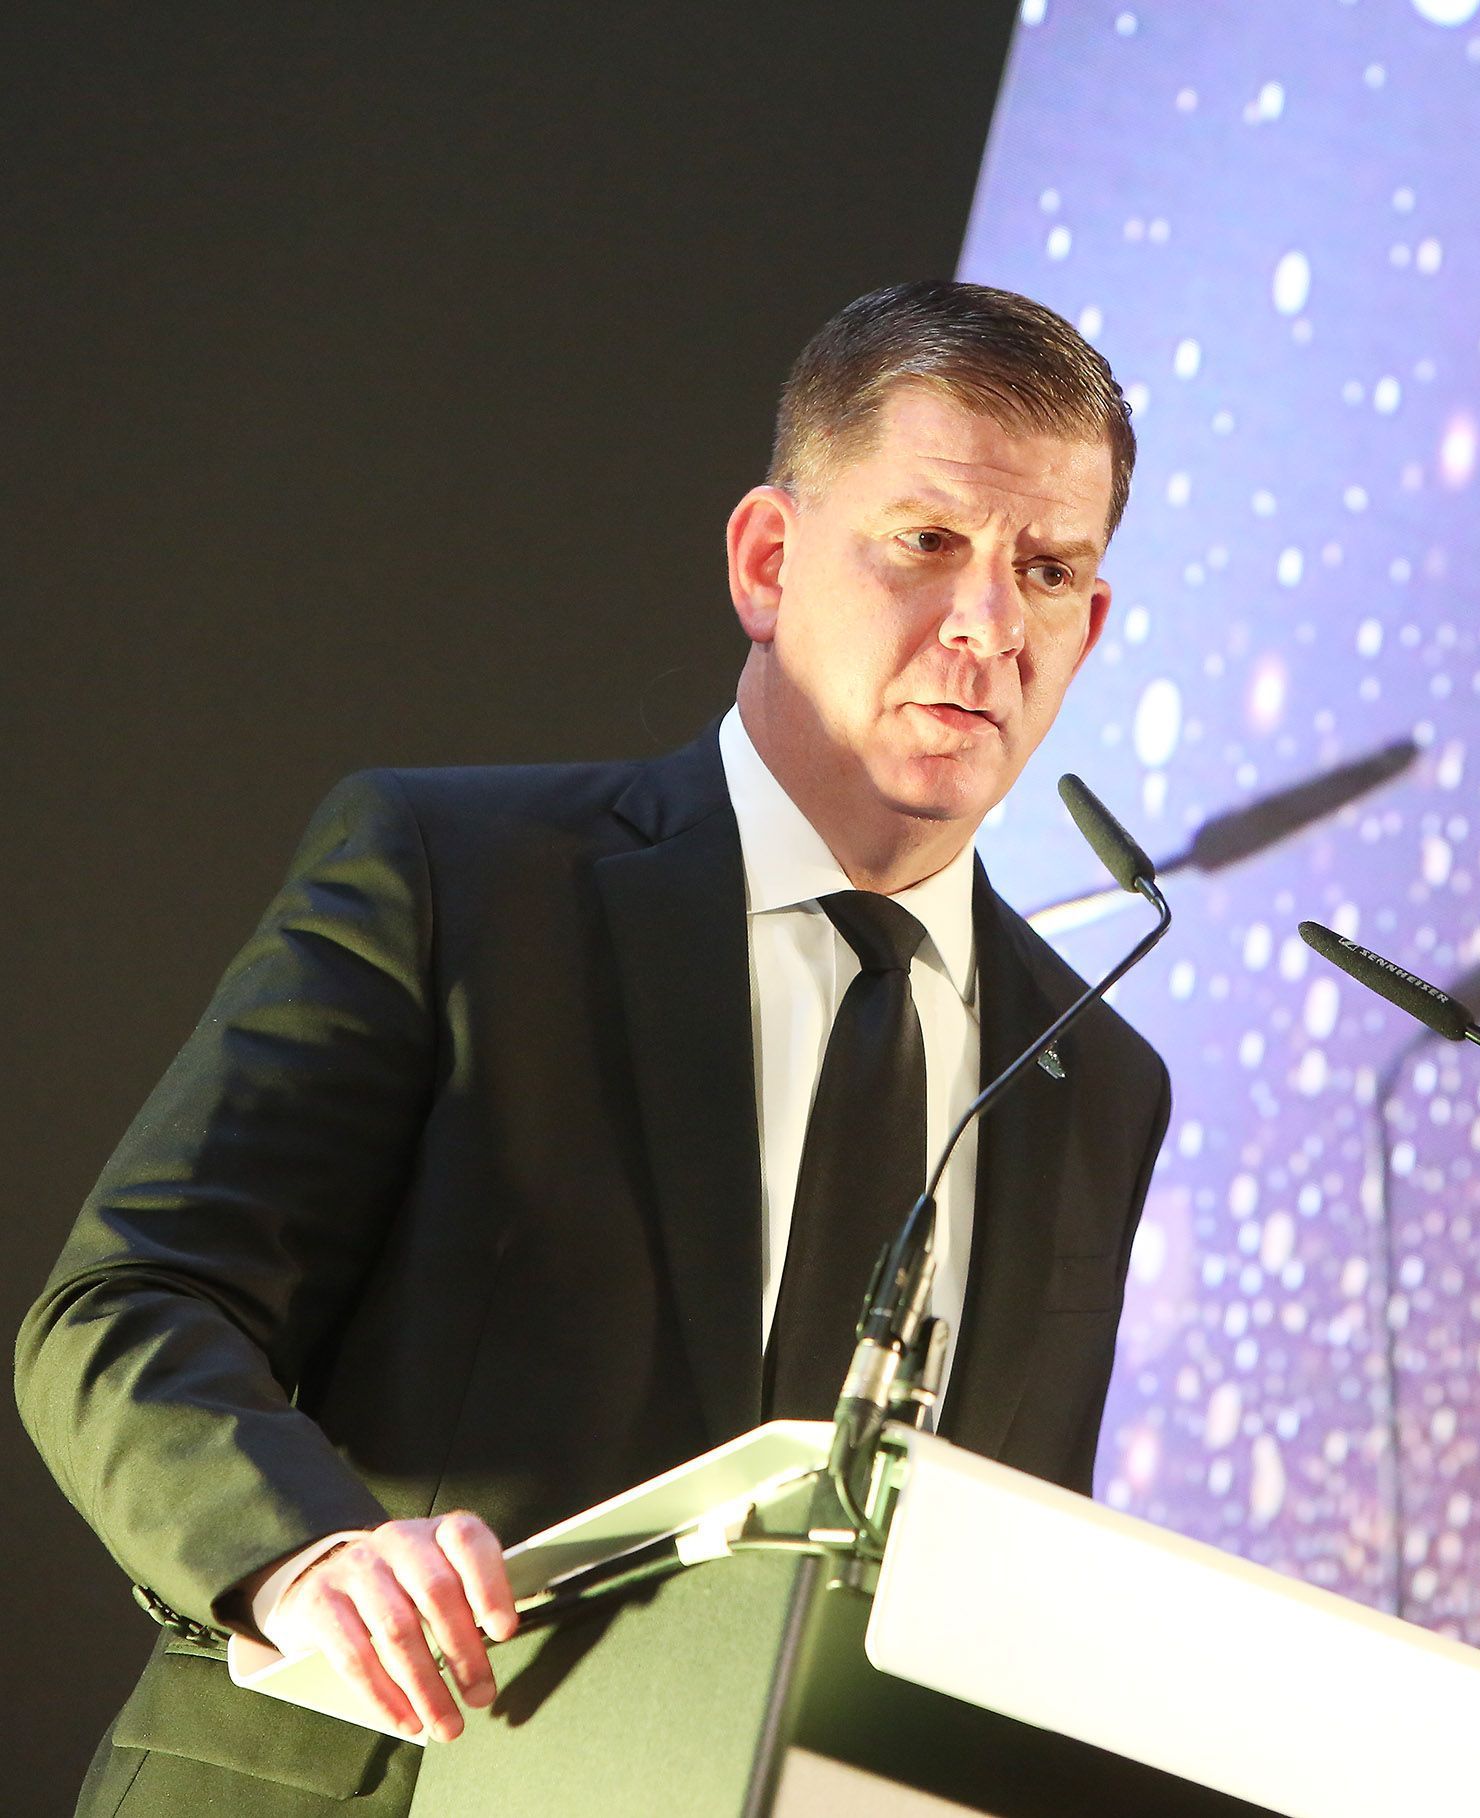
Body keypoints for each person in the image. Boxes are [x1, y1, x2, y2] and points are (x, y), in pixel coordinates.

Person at [15, 279, 1171, 1816]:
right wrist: (301, 1553)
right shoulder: (458, 876)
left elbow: (986, 1569)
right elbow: (126, 1307)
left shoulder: (1093, 1075)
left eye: (1046, 569)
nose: (985, 621)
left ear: (1087, 628)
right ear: (768, 560)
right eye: (928, 541)